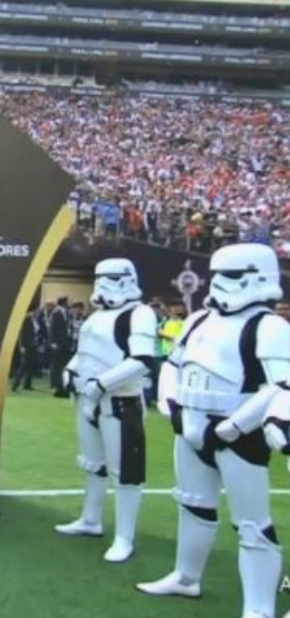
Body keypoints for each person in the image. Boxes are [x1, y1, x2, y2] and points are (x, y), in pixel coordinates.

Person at [138, 243, 289, 618]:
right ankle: (186, 576)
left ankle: (258, 607)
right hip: (190, 424)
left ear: (257, 276)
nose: (220, 283)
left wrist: (236, 426)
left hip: (238, 432)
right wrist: (169, 403)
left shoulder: (269, 326)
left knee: (252, 524)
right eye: (217, 274)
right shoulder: (197, 320)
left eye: (231, 275)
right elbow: (173, 363)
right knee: (192, 505)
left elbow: (281, 386)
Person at [53, 259, 155, 563]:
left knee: (125, 472)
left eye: (109, 278)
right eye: (99, 279)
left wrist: (102, 383)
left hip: (120, 401)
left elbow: (142, 359)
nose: (102, 285)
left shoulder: (140, 314)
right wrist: (72, 372)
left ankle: (125, 536)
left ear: (126, 279)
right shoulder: (98, 317)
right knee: (92, 464)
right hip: (88, 399)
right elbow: (85, 354)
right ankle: (90, 518)